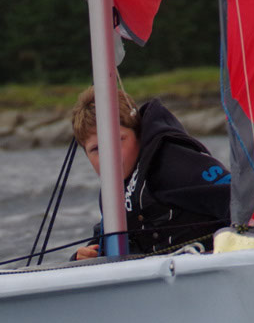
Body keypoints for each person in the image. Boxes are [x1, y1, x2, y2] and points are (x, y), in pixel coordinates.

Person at [69, 86, 232, 260]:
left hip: (207, 265)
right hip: (155, 272)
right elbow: (103, 240)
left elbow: (237, 199)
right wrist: (83, 257)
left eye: (118, 140)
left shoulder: (172, 162)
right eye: (96, 149)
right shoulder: (111, 193)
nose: (108, 156)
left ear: (137, 134)